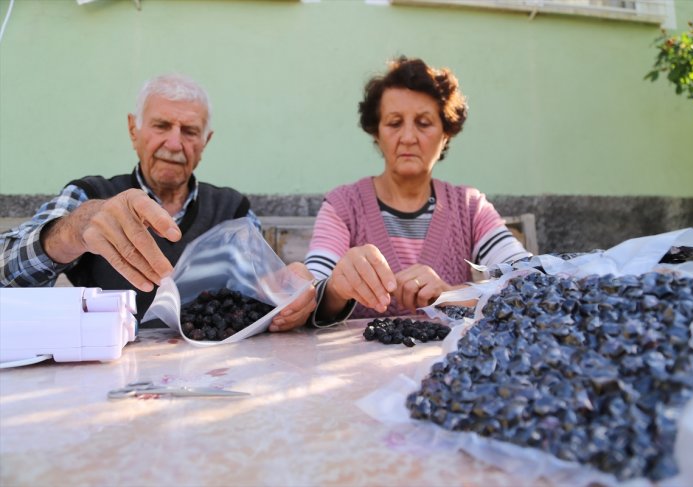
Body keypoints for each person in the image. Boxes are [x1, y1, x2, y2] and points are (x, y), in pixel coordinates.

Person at [0, 74, 314, 331]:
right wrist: (69, 232)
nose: (174, 143)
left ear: (206, 142)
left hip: (212, 379)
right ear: (133, 130)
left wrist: (290, 296)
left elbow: (260, 294)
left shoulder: (232, 209)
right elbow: (5, 274)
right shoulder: (90, 196)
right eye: (161, 126)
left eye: (190, 131)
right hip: (113, 377)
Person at [305, 57, 531, 324]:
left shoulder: (470, 207)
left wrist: (448, 294)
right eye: (394, 123)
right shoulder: (343, 206)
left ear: (446, 133)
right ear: (376, 133)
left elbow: (527, 281)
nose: (409, 137)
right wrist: (336, 287)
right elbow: (309, 294)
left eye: (424, 123)